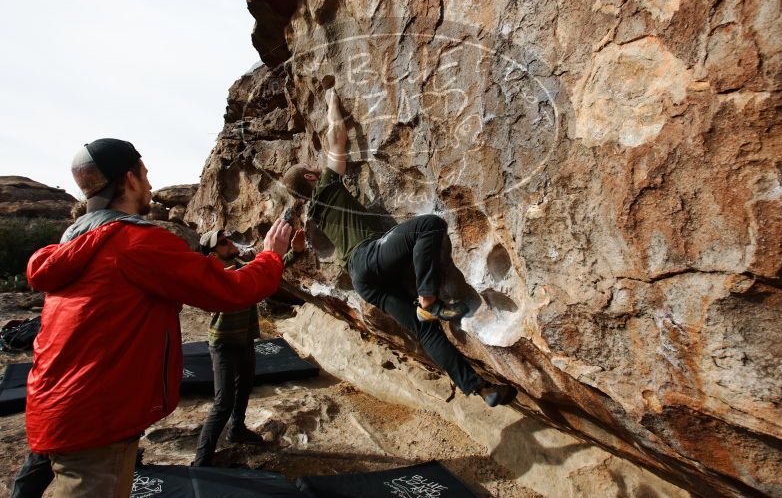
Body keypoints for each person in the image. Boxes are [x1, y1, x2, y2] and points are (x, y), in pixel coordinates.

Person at [17, 138, 293, 497]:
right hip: (97, 420)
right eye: (145, 175)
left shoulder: (73, 243)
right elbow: (228, 291)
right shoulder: (135, 244)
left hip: (53, 404)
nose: (150, 184)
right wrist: (271, 257)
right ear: (129, 180)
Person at [282, 88, 517, 407]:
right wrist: (332, 104)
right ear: (311, 176)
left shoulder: (317, 211)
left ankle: (480, 388)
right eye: (313, 168)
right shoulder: (325, 186)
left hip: (364, 283)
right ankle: (429, 299)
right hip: (368, 257)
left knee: (426, 332)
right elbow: (337, 137)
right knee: (429, 225)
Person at [192, 227, 305, 466]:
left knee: (244, 387)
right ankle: (201, 463)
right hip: (223, 343)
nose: (229, 243)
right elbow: (238, 281)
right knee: (223, 403)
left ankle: (237, 430)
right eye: (222, 243)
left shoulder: (243, 267)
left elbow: (270, 271)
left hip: (244, 339)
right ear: (212, 255)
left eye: (227, 239)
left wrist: (294, 253)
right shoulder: (212, 278)